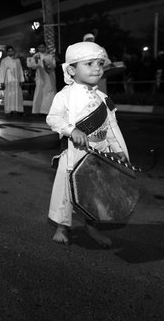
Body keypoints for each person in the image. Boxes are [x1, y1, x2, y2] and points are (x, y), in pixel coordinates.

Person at [46, 41, 129, 248]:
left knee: (95, 193)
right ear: (72, 70)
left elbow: (112, 126)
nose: (97, 68)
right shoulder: (64, 96)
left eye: (100, 63)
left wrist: (119, 150)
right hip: (75, 154)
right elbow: (53, 119)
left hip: (100, 154)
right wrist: (71, 130)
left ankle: (91, 226)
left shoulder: (103, 97)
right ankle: (62, 226)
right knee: (67, 191)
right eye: (89, 63)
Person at [26, 43, 57, 115]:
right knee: (40, 91)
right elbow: (32, 66)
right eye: (40, 47)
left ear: (45, 47)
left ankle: (49, 110)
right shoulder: (36, 56)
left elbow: (53, 65)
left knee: (49, 91)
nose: (41, 48)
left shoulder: (50, 56)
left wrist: (47, 64)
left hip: (49, 76)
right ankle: (38, 110)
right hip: (40, 77)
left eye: (43, 47)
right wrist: (36, 62)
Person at [0, 45, 25, 116]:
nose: (11, 52)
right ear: (7, 52)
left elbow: (20, 70)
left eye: (12, 51)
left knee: (17, 95)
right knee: (9, 95)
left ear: (14, 51)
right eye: (9, 51)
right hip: (8, 81)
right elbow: (2, 72)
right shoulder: (4, 61)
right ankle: (8, 111)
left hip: (16, 81)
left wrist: (22, 80)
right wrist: (2, 82)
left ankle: (18, 110)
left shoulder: (17, 60)